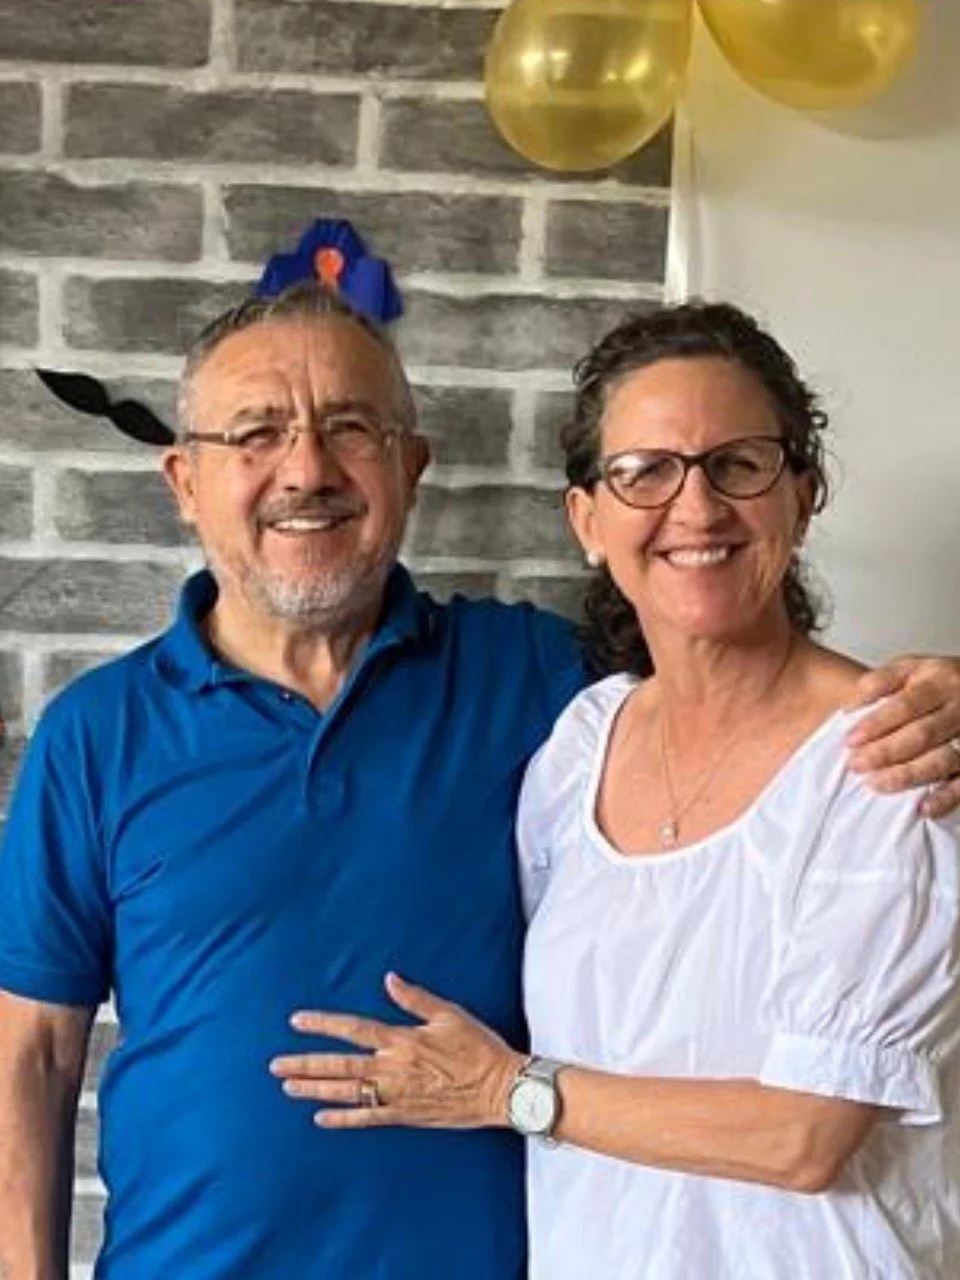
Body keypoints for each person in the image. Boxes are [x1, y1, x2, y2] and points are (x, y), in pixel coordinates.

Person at [0, 280, 959, 1280]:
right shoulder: (96, 733)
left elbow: (727, 658)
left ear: (411, 467)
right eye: (255, 432)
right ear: (184, 480)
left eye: (351, 427)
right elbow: (27, 1053)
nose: (307, 469)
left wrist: (948, 693)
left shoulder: (539, 681)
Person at [270, 302, 960, 1278]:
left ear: (803, 493)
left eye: (739, 462)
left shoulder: (892, 758)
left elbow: (803, 1136)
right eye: (645, 471)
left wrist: (509, 1088)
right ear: (587, 519)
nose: (698, 507)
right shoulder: (579, 746)